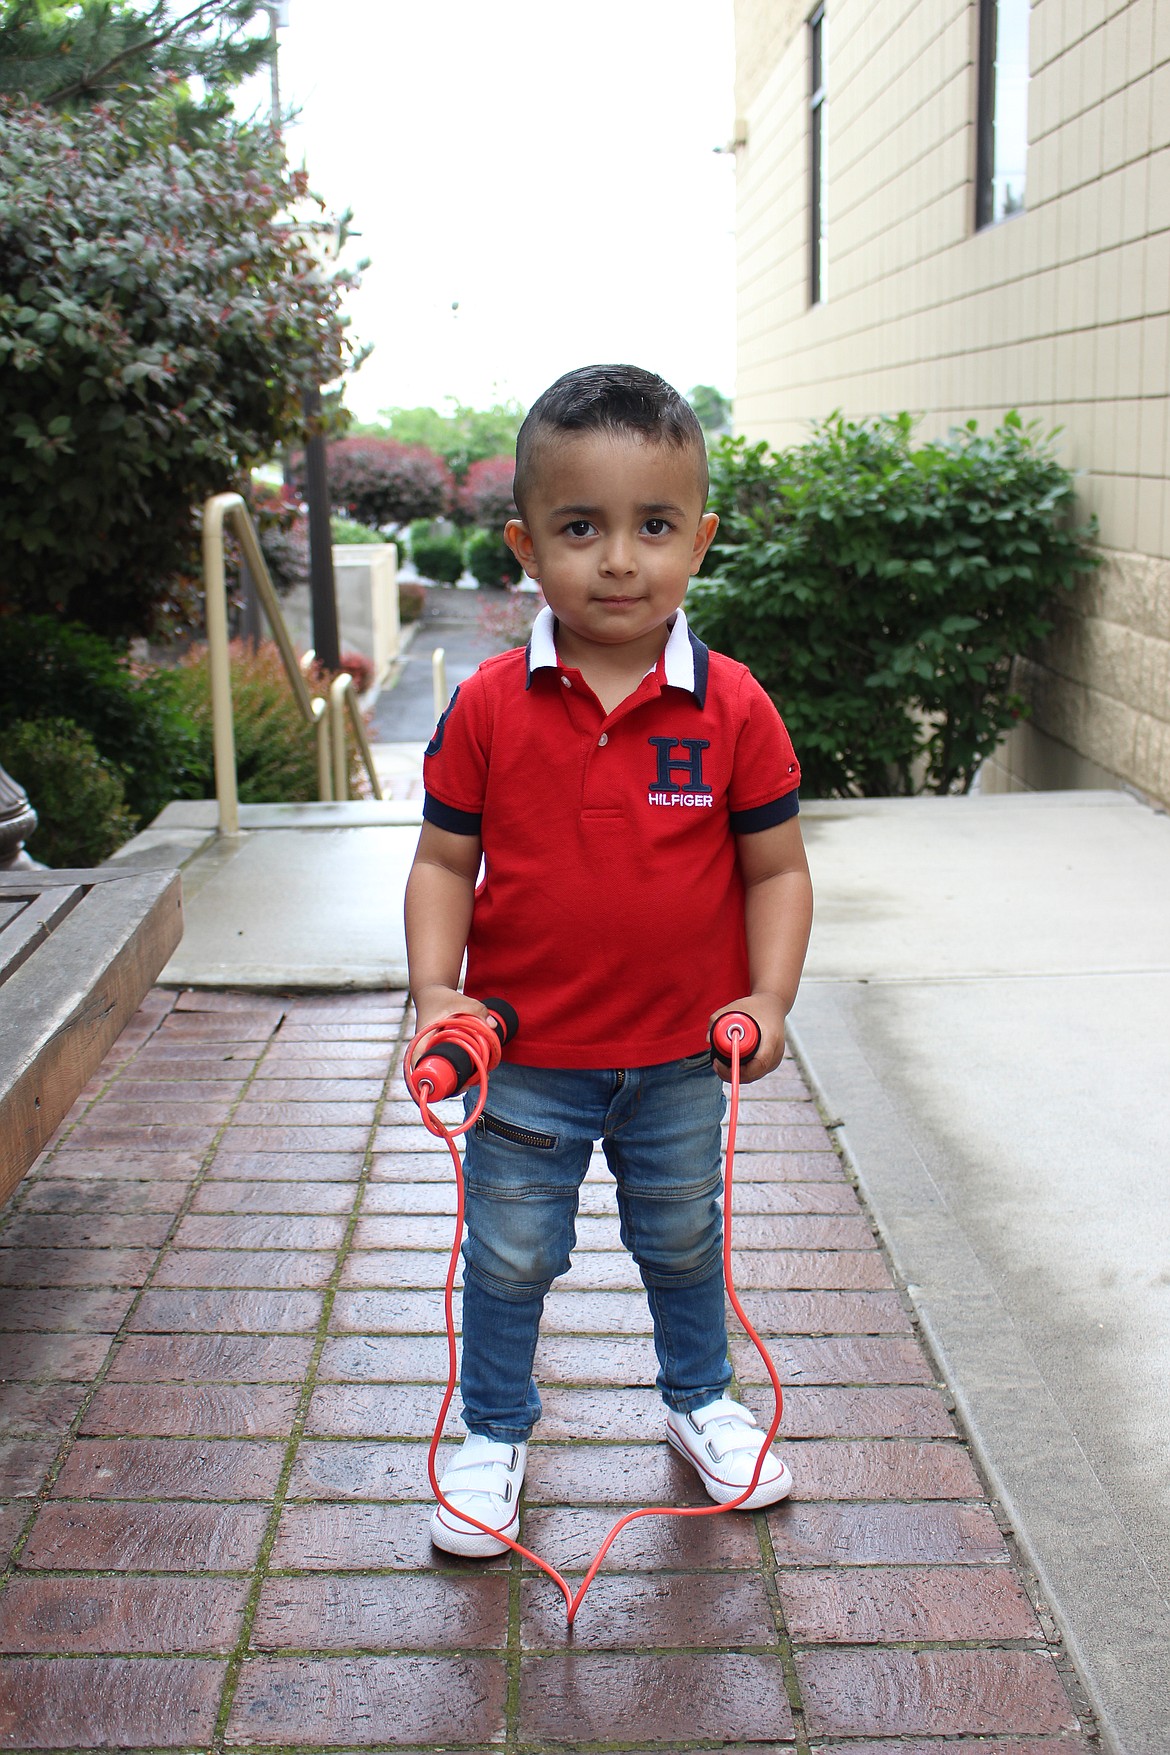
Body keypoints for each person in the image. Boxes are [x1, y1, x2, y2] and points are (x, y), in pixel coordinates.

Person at [404, 363, 814, 1558]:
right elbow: (442, 866)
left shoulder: (734, 709)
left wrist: (768, 995)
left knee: (685, 1238)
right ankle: (492, 1434)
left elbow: (775, 873)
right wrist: (438, 990)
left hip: (687, 1056)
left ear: (702, 539)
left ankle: (702, 1404)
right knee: (513, 1250)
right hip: (526, 1059)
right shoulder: (487, 705)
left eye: (654, 527)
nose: (619, 561)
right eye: (581, 529)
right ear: (527, 544)